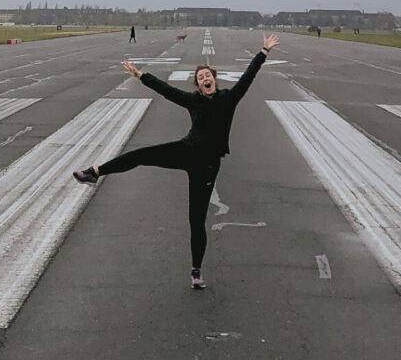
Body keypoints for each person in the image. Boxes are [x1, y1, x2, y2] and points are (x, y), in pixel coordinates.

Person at [73, 33, 281, 289]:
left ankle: (196, 270)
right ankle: (95, 171)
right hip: (185, 151)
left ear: (215, 80)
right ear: (198, 84)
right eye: (201, 77)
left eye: (208, 76)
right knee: (140, 155)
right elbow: (167, 90)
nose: (205, 79)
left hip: (207, 165)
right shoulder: (192, 100)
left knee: (196, 220)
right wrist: (140, 75)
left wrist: (263, 51)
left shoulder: (229, 98)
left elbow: (248, 76)